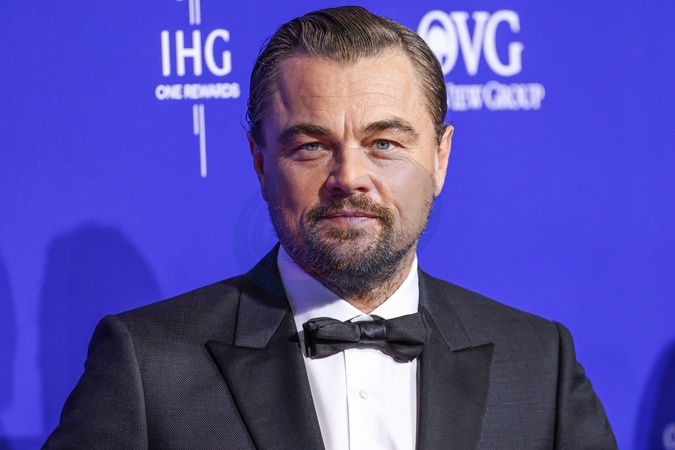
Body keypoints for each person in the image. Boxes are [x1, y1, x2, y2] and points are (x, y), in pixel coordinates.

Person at [44, 6, 617, 449]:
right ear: (261, 163)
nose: (349, 177)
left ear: (441, 158)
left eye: (384, 143)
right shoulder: (148, 365)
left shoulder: (539, 362)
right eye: (312, 146)